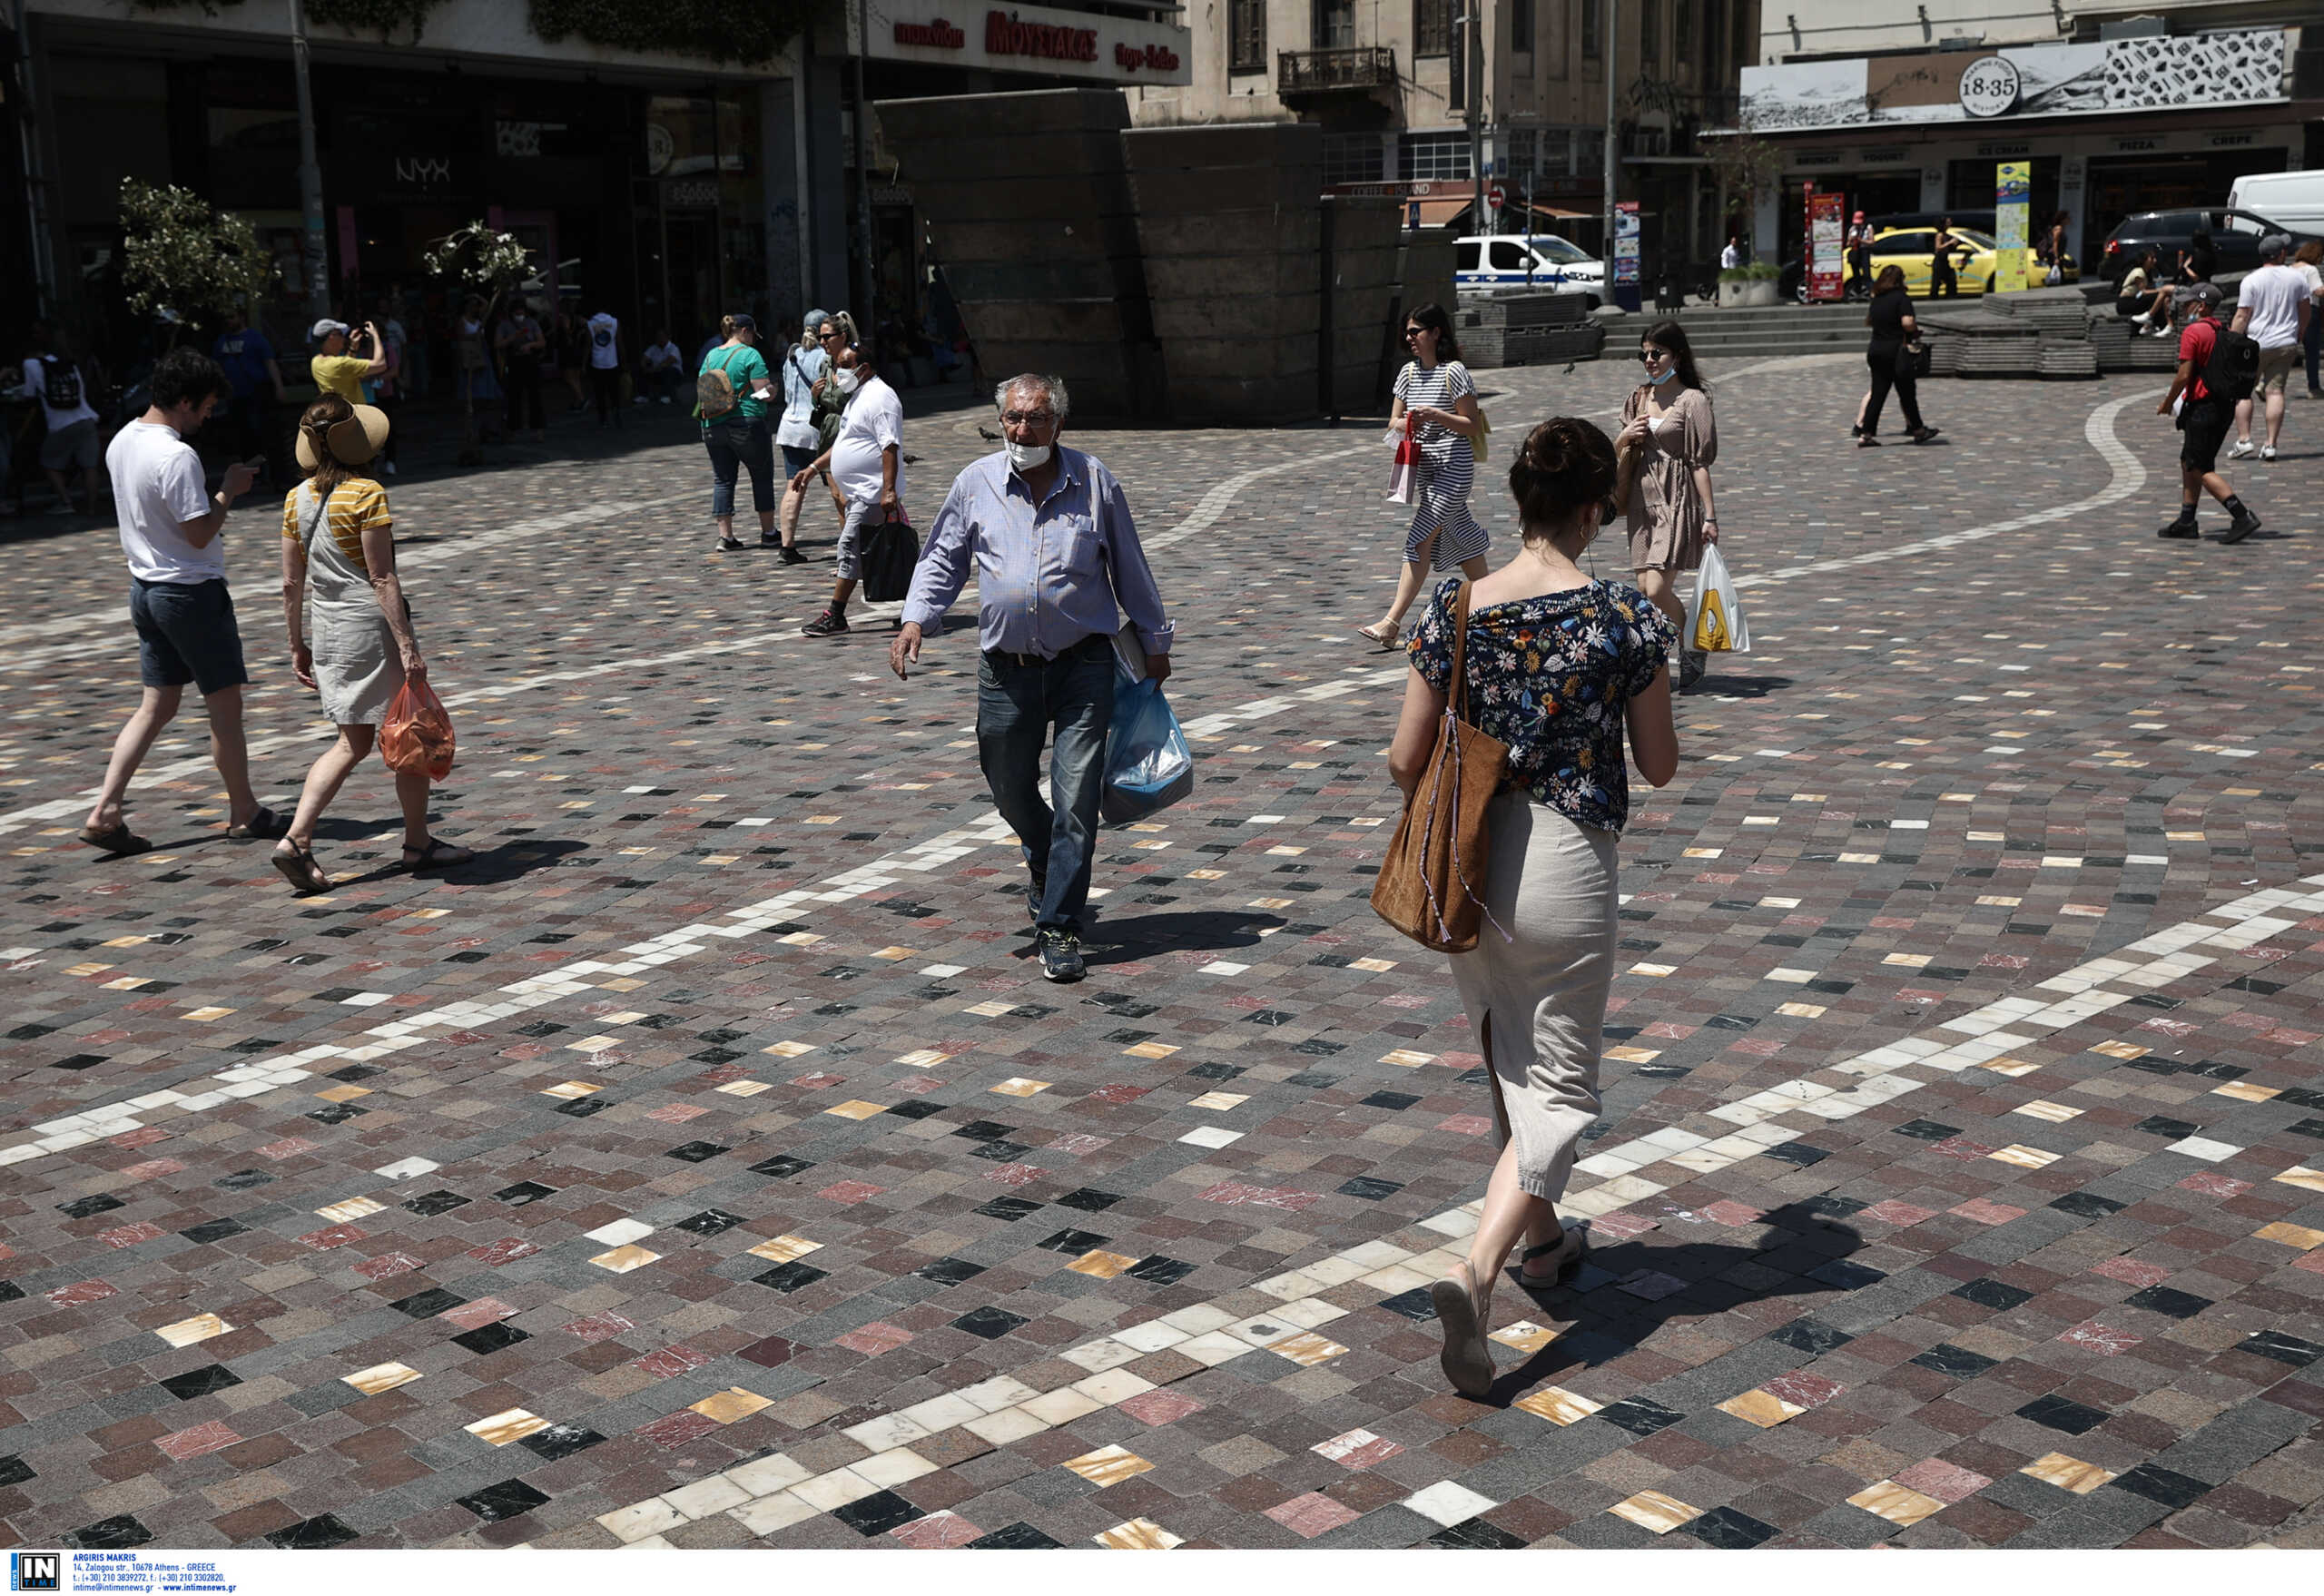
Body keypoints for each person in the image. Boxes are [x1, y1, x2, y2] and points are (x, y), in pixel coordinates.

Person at [1387, 416, 1678, 1396]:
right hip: (1565, 860)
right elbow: (1661, 764)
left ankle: (1544, 1244)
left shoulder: (1457, 607)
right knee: (1558, 1085)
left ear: (1517, 500)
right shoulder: (1622, 618)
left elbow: (1401, 758)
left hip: (1472, 857)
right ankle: (1476, 1272)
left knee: (1507, 1051)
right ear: (1596, 508)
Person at [890, 373, 1174, 984]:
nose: (1021, 430)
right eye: (1012, 419)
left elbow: (1130, 565)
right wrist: (918, 617)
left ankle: (1061, 926)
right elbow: (943, 556)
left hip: (1084, 667)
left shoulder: (1096, 482)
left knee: (1076, 802)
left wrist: (1155, 641)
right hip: (1006, 670)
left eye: (1035, 419)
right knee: (1008, 787)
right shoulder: (976, 483)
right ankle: (1045, 857)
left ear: (1059, 425)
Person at [81, 349, 286, 854]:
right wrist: (229, 490)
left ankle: (106, 810)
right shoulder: (176, 455)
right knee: (224, 706)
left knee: (157, 704)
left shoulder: (123, 440)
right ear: (186, 401)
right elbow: (199, 533)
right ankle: (244, 811)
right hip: (189, 593)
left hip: (145, 590)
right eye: (207, 406)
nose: (209, 415)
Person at [271, 396, 470, 893]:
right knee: (413, 734)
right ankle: (417, 843)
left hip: (329, 629)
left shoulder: (296, 498)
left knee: (351, 742)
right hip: (369, 627)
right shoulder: (367, 493)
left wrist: (297, 644)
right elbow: (382, 578)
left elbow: (291, 584)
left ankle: (298, 838)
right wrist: (408, 645)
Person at [1358, 303, 1487, 646]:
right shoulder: (1408, 374)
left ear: (1435, 333)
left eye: (1416, 331)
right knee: (1464, 540)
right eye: (1408, 332)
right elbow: (1392, 421)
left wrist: (1435, 414)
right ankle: (1499, 605)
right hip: (1426, 471)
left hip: (1454, 470)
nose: (1409, 337)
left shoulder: (1455, 372)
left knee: (1419, 539)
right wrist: (1405, 422)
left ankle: (1391, 623)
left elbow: (1471, 424)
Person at [1615, 320, 1720, 692]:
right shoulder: (1638, 397)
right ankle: (1669, 654)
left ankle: (1691, 640)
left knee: (1658, 589)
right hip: (1642, 503)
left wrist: (1710, 516)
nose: (1649, 360)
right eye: (1644, 353)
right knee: (1644, 589)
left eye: (1656, 353)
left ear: (1677, 355)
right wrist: (1625, 436)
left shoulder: (1693, 401)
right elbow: (1621, 449)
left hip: (1678, 502)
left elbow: (1699, 463)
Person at [799, 340, 904, 636]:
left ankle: (836, 615)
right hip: (861, 493)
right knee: (882, 553)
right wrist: (813, 467)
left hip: (871, 493)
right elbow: (845, 443)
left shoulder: (880, 398)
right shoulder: (858, 396)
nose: (838, 374)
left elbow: (890, 445)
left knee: (850, 548)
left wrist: (888, 490)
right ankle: (914, 606)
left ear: (864, 368)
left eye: (844, 367)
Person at [2158, 281, 2260, 545]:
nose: (2182, 307)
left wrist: (2168, 403)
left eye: (2187, 302)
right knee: (2190, 461)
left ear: (2202, 306)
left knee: (2199, 467)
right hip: (2223, 406)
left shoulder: (2194, 332)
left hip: (2203, 407)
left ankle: (2241, 515)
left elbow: (2184, 376)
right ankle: (2186, 520)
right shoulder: (2221, 330)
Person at [696, 312, 780, 553]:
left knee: (722, 480)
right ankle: (769, 533)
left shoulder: (711, 356)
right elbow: (762, 392)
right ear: (744, 331)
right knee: (761, 476)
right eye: (753, 334)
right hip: (746, 424)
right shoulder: (750, 355)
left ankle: (726, 537)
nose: (754, 339)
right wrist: (773, 390)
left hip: (712, 425)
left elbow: (704, 389)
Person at [2226, 235, 2309, 464]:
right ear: (2281, 253)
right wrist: (2301, 331)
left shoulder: (2251, 280)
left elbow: (2243, 314)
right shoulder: (2297, 278)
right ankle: (2271, 444)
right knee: (2275, 392)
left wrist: (2232, 341)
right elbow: (2305, 309)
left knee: (2244, 392)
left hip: (2256, 344)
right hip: (2285, 342)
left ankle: (2244, 439)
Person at [23, 322, 103, 516]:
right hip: (86, 419)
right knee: (89, 466)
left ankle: (66, 502)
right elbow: (81, 392)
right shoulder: (69, 364)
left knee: (48, 463)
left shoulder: (31, 365)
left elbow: (28, 393)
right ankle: (92, 508)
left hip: (60, 424)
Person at [1857, 264, 1939, 448]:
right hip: (1897, 351)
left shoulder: (1876, 299)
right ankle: (1918, 430)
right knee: (1907, 393)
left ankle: (1866, 434)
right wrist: (1915, 331)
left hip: (1876, 349)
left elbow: (1871, 321)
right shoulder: (1901, 298)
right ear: (1899, 279)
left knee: (1878, 394)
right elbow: (1907, 322)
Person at [211, 305, 285, 486]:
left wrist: (279, 387)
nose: (229, 321)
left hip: (257, 394)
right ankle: (254, 475)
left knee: (264, 434)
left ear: (241, 317)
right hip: (234, 397)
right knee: (244, 438)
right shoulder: (222, 341)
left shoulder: (255, 338)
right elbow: (216, 367)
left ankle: (275, 477)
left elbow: (269, 362)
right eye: (226, 318)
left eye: (232, 316)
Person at [497, 300, 547, 441]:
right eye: (517, 313)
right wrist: (512, 338)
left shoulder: (531, 323)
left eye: (522, 313)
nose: (520, 315)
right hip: (514, 361)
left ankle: (538, 429)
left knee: (535, 396)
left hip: (530, 361)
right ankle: (512, 429)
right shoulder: (505, 325)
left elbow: (542, 342)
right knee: (514, 397)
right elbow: (498, 343)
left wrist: (531, 345)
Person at [309, 319, 384, 406]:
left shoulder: (315, 362)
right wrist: (375, 336)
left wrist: (353, 348)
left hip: (336, 412)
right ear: (331, 337)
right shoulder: (339, 364)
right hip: (354, 415)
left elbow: (345, 370)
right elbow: (380, 364)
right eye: (340, 334)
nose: (344, 338)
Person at [2292, 240, 2324, 400]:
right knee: (2311, 351)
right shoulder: (2311, 270)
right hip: (2310, 310)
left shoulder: (2290, 269)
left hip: (2292, 310)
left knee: (2286, 349)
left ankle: (2265, 382)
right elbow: (2318, 290)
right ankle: (2314, 387)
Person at [586, 306, 623, 428]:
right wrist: (624, 361)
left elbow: (588, 345)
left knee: (599, 393)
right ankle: (616, 412)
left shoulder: (590, 324)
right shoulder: (614, 322)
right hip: (612, 361)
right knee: (614, 391)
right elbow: (619, 343)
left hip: (597, 362)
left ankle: (603, 419)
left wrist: (583, 362)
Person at [639, 329, 684, 405]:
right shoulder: (653, 348)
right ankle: (643, 396)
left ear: (667, 337)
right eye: (658, 337)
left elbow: (667, 362)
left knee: (668, 371)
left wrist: (653, 369)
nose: (659, 339)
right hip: (657, 372)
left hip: (673, 373)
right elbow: (644, 358)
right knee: (642, 371)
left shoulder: (674, 348)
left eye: (661, 337)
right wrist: (644, 367)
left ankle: (666, 396)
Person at [1930, 217, 1963, 299]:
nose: (1950, 223)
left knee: (1951, 278)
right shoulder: (1940, 235)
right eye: (1948, 222)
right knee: (1936, 282)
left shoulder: (1946, 235)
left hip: (1945, 261)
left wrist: (1954, 244)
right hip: (1939, 261)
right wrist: (1950, 242)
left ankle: (1950, 295)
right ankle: (1934, 297)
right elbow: (1938, 247)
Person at [1846, 210, 1875, 295]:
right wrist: (1851, 241)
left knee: (1866, 274)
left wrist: (1861, 240)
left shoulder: (1868, 228)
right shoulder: (1852, 229)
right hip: (1855, 251)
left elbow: (1872, 242)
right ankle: (1858, 290)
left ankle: (1871, 292)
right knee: (1856, 275)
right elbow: (1847, 244)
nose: (1857, 225)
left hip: (1864, 251)